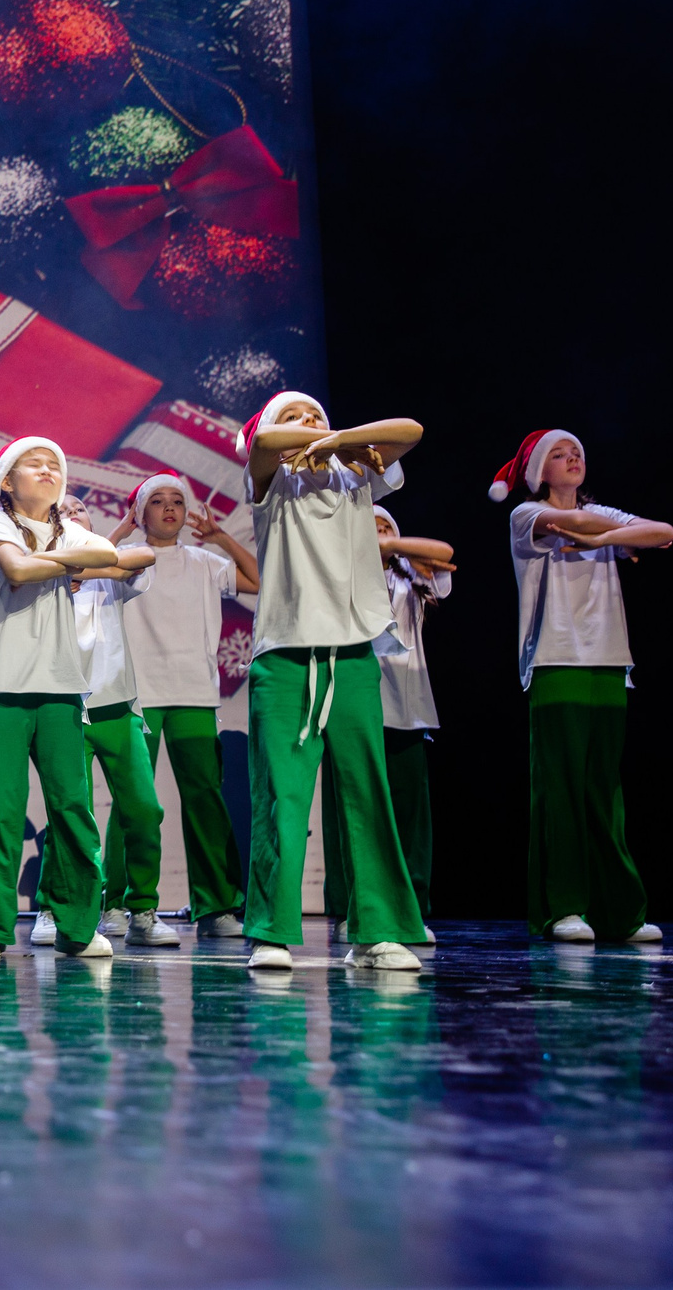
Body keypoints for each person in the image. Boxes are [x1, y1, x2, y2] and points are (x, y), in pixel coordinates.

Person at [236, 390, 427, 973]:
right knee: (281, 798)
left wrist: (339, 443)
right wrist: (318, 438)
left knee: (368, 792)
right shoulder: (271, 481)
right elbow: (263, 444)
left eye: (315, 414)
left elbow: (411, 426)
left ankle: (377, 932)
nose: (307, 423)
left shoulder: (353, 475)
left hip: (353, 653)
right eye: (293, 415)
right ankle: (271, 933)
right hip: (287, 654)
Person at [491, 428, 673, 944]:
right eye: (559, 454)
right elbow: (573, 521)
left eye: (577, 453)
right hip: (556, 659)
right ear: (537, 473)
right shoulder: (525, 515)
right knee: (562, 787)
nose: (572, 459)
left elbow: (664, 531)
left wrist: (604, 538)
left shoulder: (605, 517)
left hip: (609, 659)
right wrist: (615, 532)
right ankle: (563, 908)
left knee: (604, 788)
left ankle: (622, 912)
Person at [0, 438, 124, 961]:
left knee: (72, 808)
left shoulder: (69, 528)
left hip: (59, 687)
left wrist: (64, 556)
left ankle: (77, 925)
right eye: (35, 465)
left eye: (56, 465)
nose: (48, 470)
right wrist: (71, 561)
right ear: (8, 482)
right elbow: (18, 571)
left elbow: (111, 555)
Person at [116, 474, 258, 937]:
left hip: (193, 693)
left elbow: (257, 581)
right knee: (134, 804)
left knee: (205, 800)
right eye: (156, 501)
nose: (170, 508)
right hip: (139, 695)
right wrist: (118, 531)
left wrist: (221, 537)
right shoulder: (125, 559)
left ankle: (216, 907)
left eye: (177, 500)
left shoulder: (203, 561)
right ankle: (121, 904)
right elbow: (83, 572)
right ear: (140, 513)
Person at [31, 499, 169, 946]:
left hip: (116, 709)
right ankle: (53, 907)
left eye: (80, 508)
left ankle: (139, 908)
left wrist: (93, 563)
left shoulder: (110, 569)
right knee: (69, 815)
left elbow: (142, 558)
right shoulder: (39, 573)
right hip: (65, 709)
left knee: (145, 811)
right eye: (62, 510)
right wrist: (65, 569)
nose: (72, 512)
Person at [319, 507, 452, 936]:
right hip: (351, 708)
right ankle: (349, 907)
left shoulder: (410, 576)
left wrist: (391, 544)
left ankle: (408, 908)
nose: (378, 536)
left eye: (386, 528)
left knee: (409, 815)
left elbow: (445, 552)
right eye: (368, 529)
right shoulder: (340, 575)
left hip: (406, 710)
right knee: (351, 811)